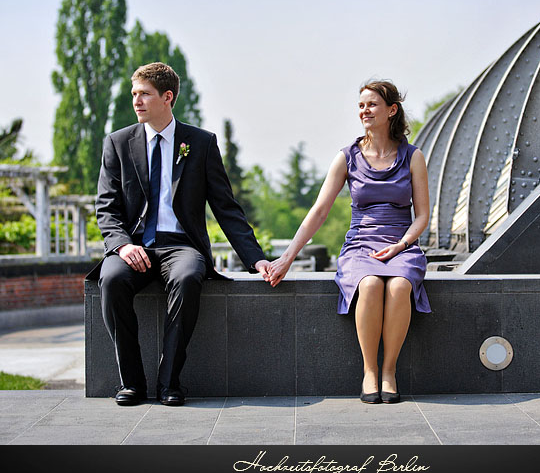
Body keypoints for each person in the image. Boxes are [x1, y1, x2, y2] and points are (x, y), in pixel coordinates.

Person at [87, 62, 271, 406]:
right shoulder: (117, 143)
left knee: (188, 278)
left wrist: (256, 258)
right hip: (134, 246)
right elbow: (106, 207)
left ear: (167, 97)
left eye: (144, 94)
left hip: (182, 246)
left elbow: (225, 207)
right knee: (110, 280)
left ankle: (170, 381)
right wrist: (122, 245)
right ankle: (132, 383)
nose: (136, 101)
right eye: (134, 94)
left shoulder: (200, 143)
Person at [266, 80, 430, 404]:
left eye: (371, 105)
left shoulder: (413, 156)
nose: (364, 111)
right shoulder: (347, 157)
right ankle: (370, 371)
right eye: (360, 106)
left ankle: (389, 371)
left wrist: (401, 245)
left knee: (399, 287)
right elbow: (319, 211)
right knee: (368, 285)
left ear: (391, 110)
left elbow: (423, 215)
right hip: (361, 244)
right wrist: (286, 257)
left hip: (401, 243)